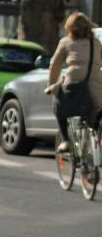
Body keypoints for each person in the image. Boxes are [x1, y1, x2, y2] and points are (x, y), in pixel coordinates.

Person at [46, 12, 102, 152]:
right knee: (95, 113)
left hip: (74, 83)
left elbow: (55, 65)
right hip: (96, 84)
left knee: (58, 106)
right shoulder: (96, 42)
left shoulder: (66, 42)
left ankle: (65, 141)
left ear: (70, 28)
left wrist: (51, 85)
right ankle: (95, 139)